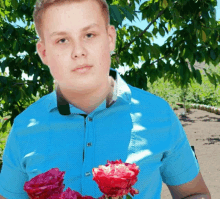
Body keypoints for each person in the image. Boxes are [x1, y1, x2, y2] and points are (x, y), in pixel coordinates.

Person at [0, 0, 211, 198]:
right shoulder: (23, 128)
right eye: (62, 40)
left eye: (89, 35)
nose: (78, 51)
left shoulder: (158, 114)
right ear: (44, 52)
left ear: (110, 38)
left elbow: (194, 193)